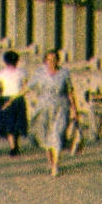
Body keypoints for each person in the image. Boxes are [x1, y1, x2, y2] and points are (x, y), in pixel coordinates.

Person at [29, 49, 78, 177]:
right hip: (44, 107)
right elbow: (29, 86)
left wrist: (74, 109)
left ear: (58, 60)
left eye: (54, 59)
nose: (52, 62)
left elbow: (70, 91)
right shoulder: (39, 72)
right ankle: (51, 162)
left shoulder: (64, 73)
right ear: (45, 61)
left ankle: (56, 165)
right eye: (49, 60)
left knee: (57, 134)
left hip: (61, 107)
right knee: (47, 135)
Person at [0, 50, 28, 155]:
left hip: (7, 99)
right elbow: (25, 87)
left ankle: (13, 146)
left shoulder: (2, 73)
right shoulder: (22, 72)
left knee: (10, 124)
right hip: (17, 99)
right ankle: (14, 145)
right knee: (16, 124)